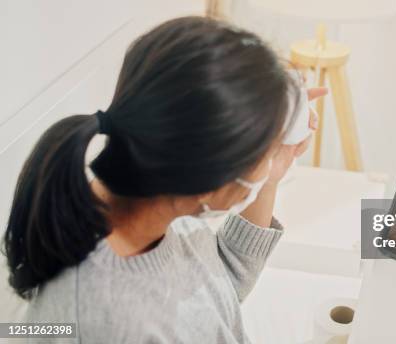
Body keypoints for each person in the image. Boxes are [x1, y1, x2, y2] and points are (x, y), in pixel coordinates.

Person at [3, 16, 326, 343]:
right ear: (209, 186)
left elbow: (219, 288)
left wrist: (268, 175)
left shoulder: (158, 201)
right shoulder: (106, 322)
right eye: (264, 154)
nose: (268, 159)